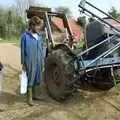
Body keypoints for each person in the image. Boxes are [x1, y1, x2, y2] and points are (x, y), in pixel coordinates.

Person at [21, 16, 44, 106]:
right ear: (32, 25)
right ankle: (29, 98)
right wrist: (23, 63)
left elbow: (41, 49)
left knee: (36, 77)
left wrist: (42, 61)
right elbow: (22, 50)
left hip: (38, 60)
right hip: (30, 61)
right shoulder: (25, 36)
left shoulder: (39, 36)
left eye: (39, 26)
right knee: (30, 77)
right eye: (37, 26)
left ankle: (35, 96)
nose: (39, 28)